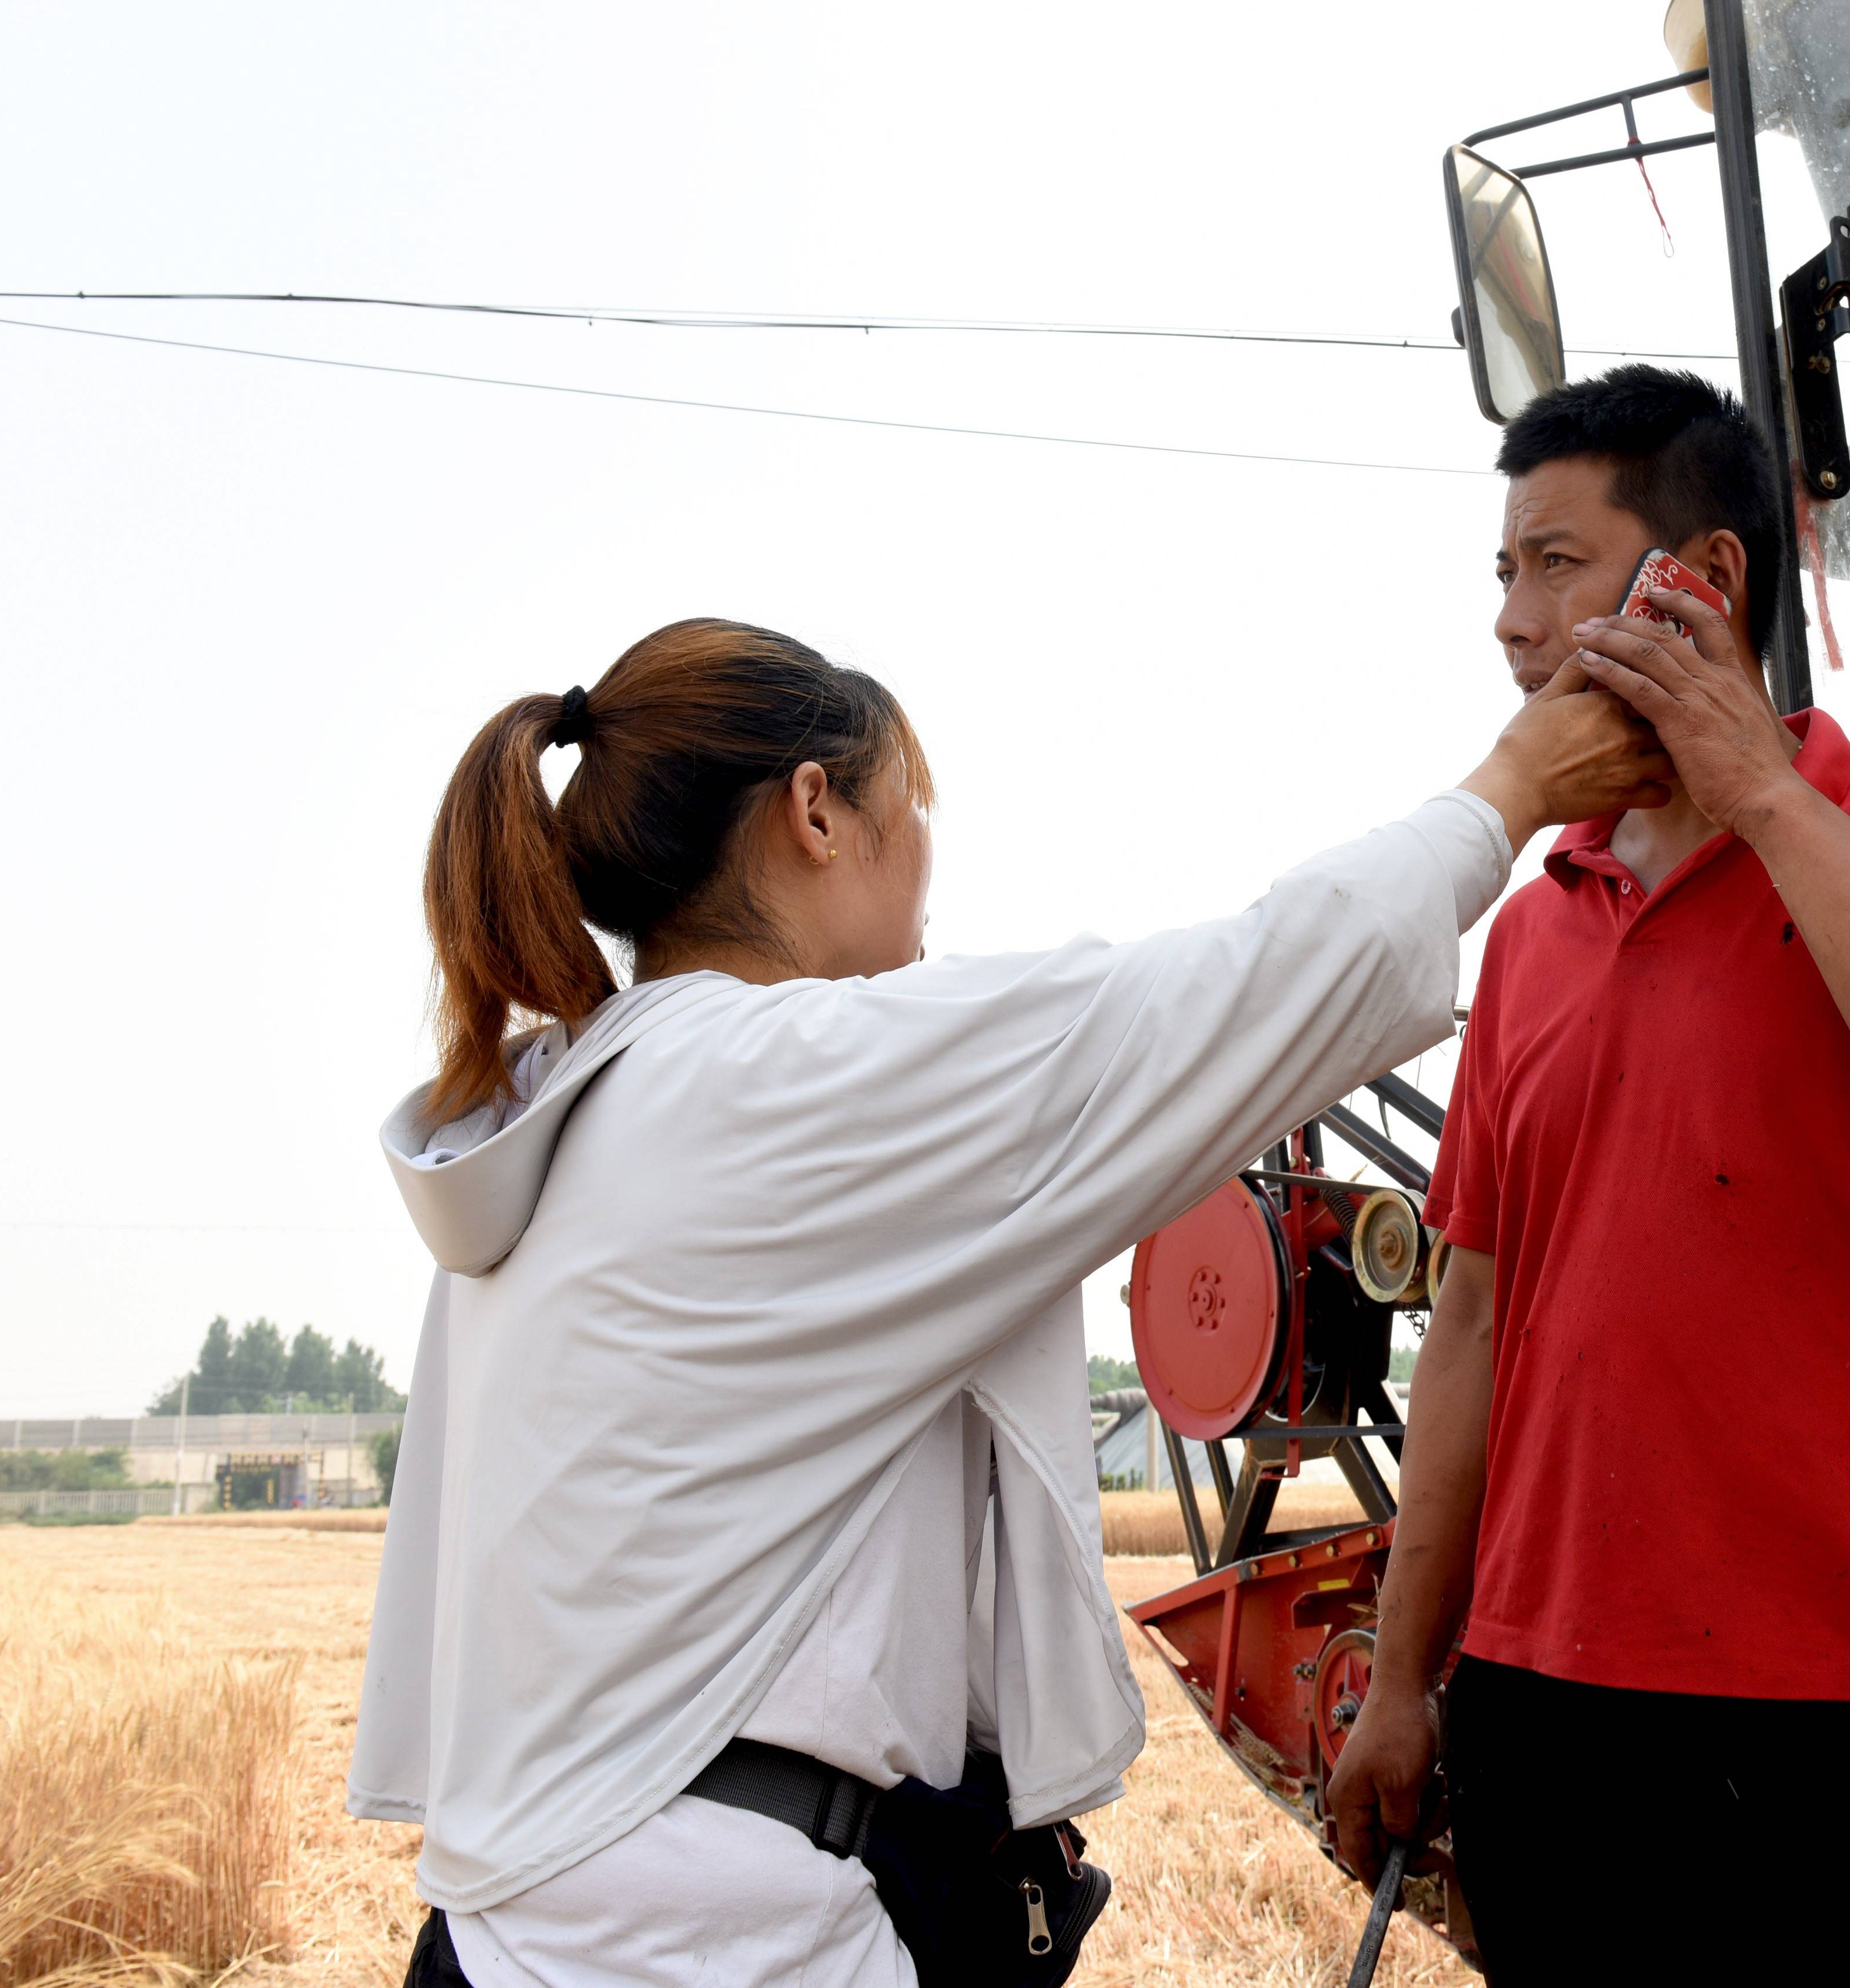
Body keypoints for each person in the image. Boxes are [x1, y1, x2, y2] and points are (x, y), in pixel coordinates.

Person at [349, 616, 1668, 1986]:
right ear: (817, 809)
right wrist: (1510, 787)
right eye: (910, 803)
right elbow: (1237, 991)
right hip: (712, 1940)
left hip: (512, 1930)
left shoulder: (558, 1113)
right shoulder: (790, 1075)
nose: (926, 854)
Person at [1322, 368, 1850, 1982]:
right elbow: (1469, 1320)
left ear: (1709, 579)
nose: (1511, 621)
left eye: (1556, 562)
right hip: (1569, 1712)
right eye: (1502, 572)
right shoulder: (1537, 926)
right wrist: (1410, 1673)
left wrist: (1756, 788)